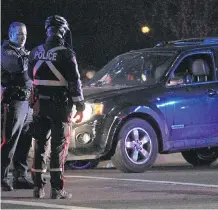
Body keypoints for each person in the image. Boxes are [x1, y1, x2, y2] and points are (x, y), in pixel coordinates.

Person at [28, 15, 85, 199]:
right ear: (63, 31)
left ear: (47, 31)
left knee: (39, 145)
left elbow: (31, 76)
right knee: (58, 148)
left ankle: (37, 187)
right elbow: (74, 82)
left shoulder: (35, 52)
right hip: (60, 106)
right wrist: (80, 105)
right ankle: (57, 189)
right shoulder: (67, 54)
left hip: (39, 105)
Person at [1, 22, 34, 191]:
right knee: (10, 141)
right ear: (11, 33)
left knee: (25, 141)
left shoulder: (22, 52)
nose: (23, 38)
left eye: (25, 34)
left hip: (27, 102)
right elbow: (21, 67)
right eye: (20, 34)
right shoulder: (6, 52)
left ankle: (21, 176)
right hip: (14, 102)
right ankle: (2, 176)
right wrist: (33, 57)